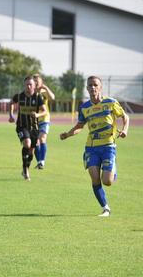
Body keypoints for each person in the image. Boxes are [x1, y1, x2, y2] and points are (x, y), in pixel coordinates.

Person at [60, 76, 129, 217]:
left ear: (100, 87)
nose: (92, 87)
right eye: (90, 85)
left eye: (95, 85)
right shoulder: (84, 107)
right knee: (95, 177)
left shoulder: (111, 103)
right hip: (91, 147)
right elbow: (80, 125)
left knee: (107, 181)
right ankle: (105, 208)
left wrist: (125, 130)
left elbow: (125, 117)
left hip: (108, 146)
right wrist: (68, 134)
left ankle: (112, 167)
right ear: (86, 88)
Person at [9, 76, 47, 181]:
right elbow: (11, 103)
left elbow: (44, 111)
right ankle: (25, 169)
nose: (28, 86)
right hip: (21, 126)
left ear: (34, 86)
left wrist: (38, 115)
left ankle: (26, 168)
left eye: (30, 84)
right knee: (27, 143)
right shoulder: (19, 96)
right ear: (24, 85)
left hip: (34, 127)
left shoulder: (38, 97)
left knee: (31, 151)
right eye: (26, 84)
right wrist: (11, 115)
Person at [32, 74, 56, 169]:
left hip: (45, 119)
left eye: (37, 80)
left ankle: (42, 161)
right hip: (34, 120)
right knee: (35, 143)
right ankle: (39, 162)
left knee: (42, 139)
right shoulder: (31, 93)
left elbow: (53, 97)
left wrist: (46, 87)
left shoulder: (44, 92)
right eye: (34, 80)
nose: (36, 82)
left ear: (41, 82)